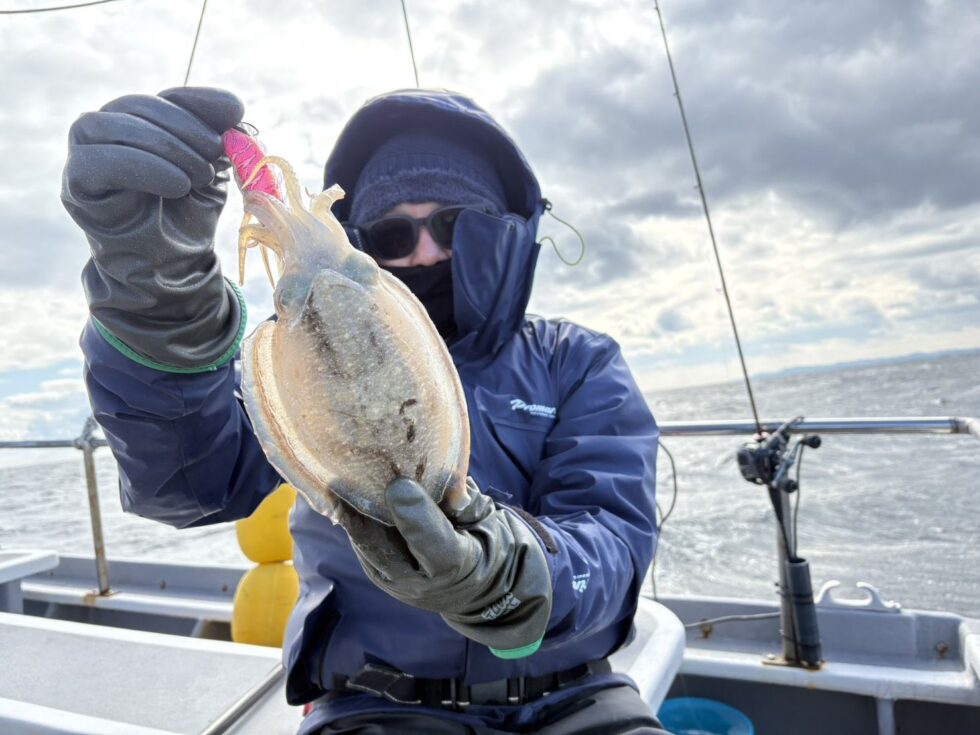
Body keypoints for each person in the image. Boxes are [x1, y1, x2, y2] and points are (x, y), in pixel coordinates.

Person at [61, 86, 667, 734]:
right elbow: (188, 479)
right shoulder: (300, 369)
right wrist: (160, 308)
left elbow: (613, 538)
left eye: (457, 224)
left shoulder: (578, 362)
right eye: (393, 233)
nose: (427, 253)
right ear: (362, 242)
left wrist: (514, 574)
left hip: (575, 701)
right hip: (375, 706)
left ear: (505, 229)